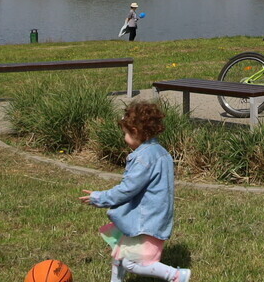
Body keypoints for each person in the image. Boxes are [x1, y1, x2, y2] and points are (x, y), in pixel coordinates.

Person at [80, 100, 188, 282]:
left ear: (135, 132)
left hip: (145, 221)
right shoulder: (161, 152)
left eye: (126, 133)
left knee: (133, 262)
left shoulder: (143, 158)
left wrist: (99, 197)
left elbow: (127, 190)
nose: (124, 137)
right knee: (120, 254)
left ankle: (177, 276)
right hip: (153, 216)